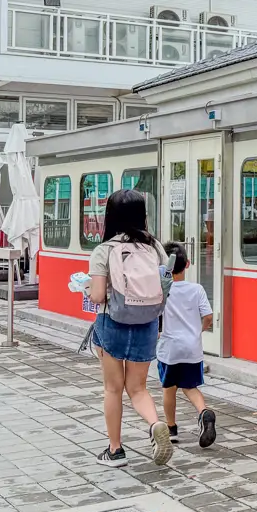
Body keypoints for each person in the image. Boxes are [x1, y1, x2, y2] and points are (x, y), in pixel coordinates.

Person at [87, 189, 172, 467]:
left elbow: (98, 296)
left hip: (112, 323)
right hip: (147, 322)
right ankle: (155, 424)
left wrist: (86, 289)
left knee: (113, 389)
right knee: (138, 388)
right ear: (142, 215)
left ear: (109, 216)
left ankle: (115, 450)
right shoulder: (155, 248)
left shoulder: (104, 250)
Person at [157, 242, 218, 448]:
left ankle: (172, 429)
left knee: (169, 389)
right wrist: (198, 331)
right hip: (192, 349)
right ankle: (204, 413)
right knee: (190, 387)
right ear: (188, 264)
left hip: (170, 350)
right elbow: (208, 316)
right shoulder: (197, 289)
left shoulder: (163, 290)